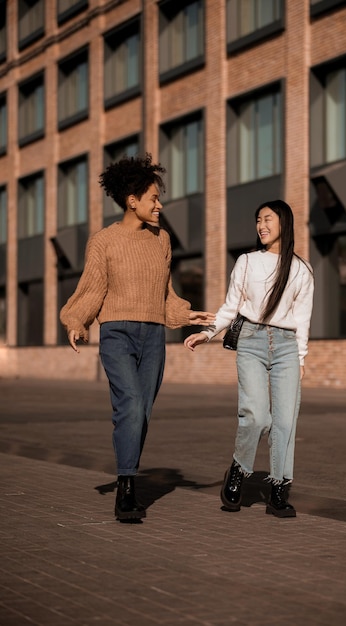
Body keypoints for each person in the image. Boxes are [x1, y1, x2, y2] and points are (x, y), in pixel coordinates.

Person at [60, 153, 215, 522]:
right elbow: (93, 289)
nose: (159, 205)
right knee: (129, 404)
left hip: (154, 337)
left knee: (141, 412)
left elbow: (164, 292)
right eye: (154, 198)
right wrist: (77, 320)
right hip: (116, 334)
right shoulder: (103, 241)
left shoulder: (161, 241)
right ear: (133, 201)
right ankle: (126, 488)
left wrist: (185, 313)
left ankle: (127, 472)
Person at [184, 199, 314, 518]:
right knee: (255, 415)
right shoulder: (246, 261)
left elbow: (303, 319)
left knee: (285, 422)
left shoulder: (301, 269)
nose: (261, 225)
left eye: (267, 219)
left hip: (285, 345)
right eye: (258, 220)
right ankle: (239, 470)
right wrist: (208, 331)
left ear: (284, 222)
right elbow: (231, 306)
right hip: (252, 341)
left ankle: (279, 490)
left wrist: (300, 358)